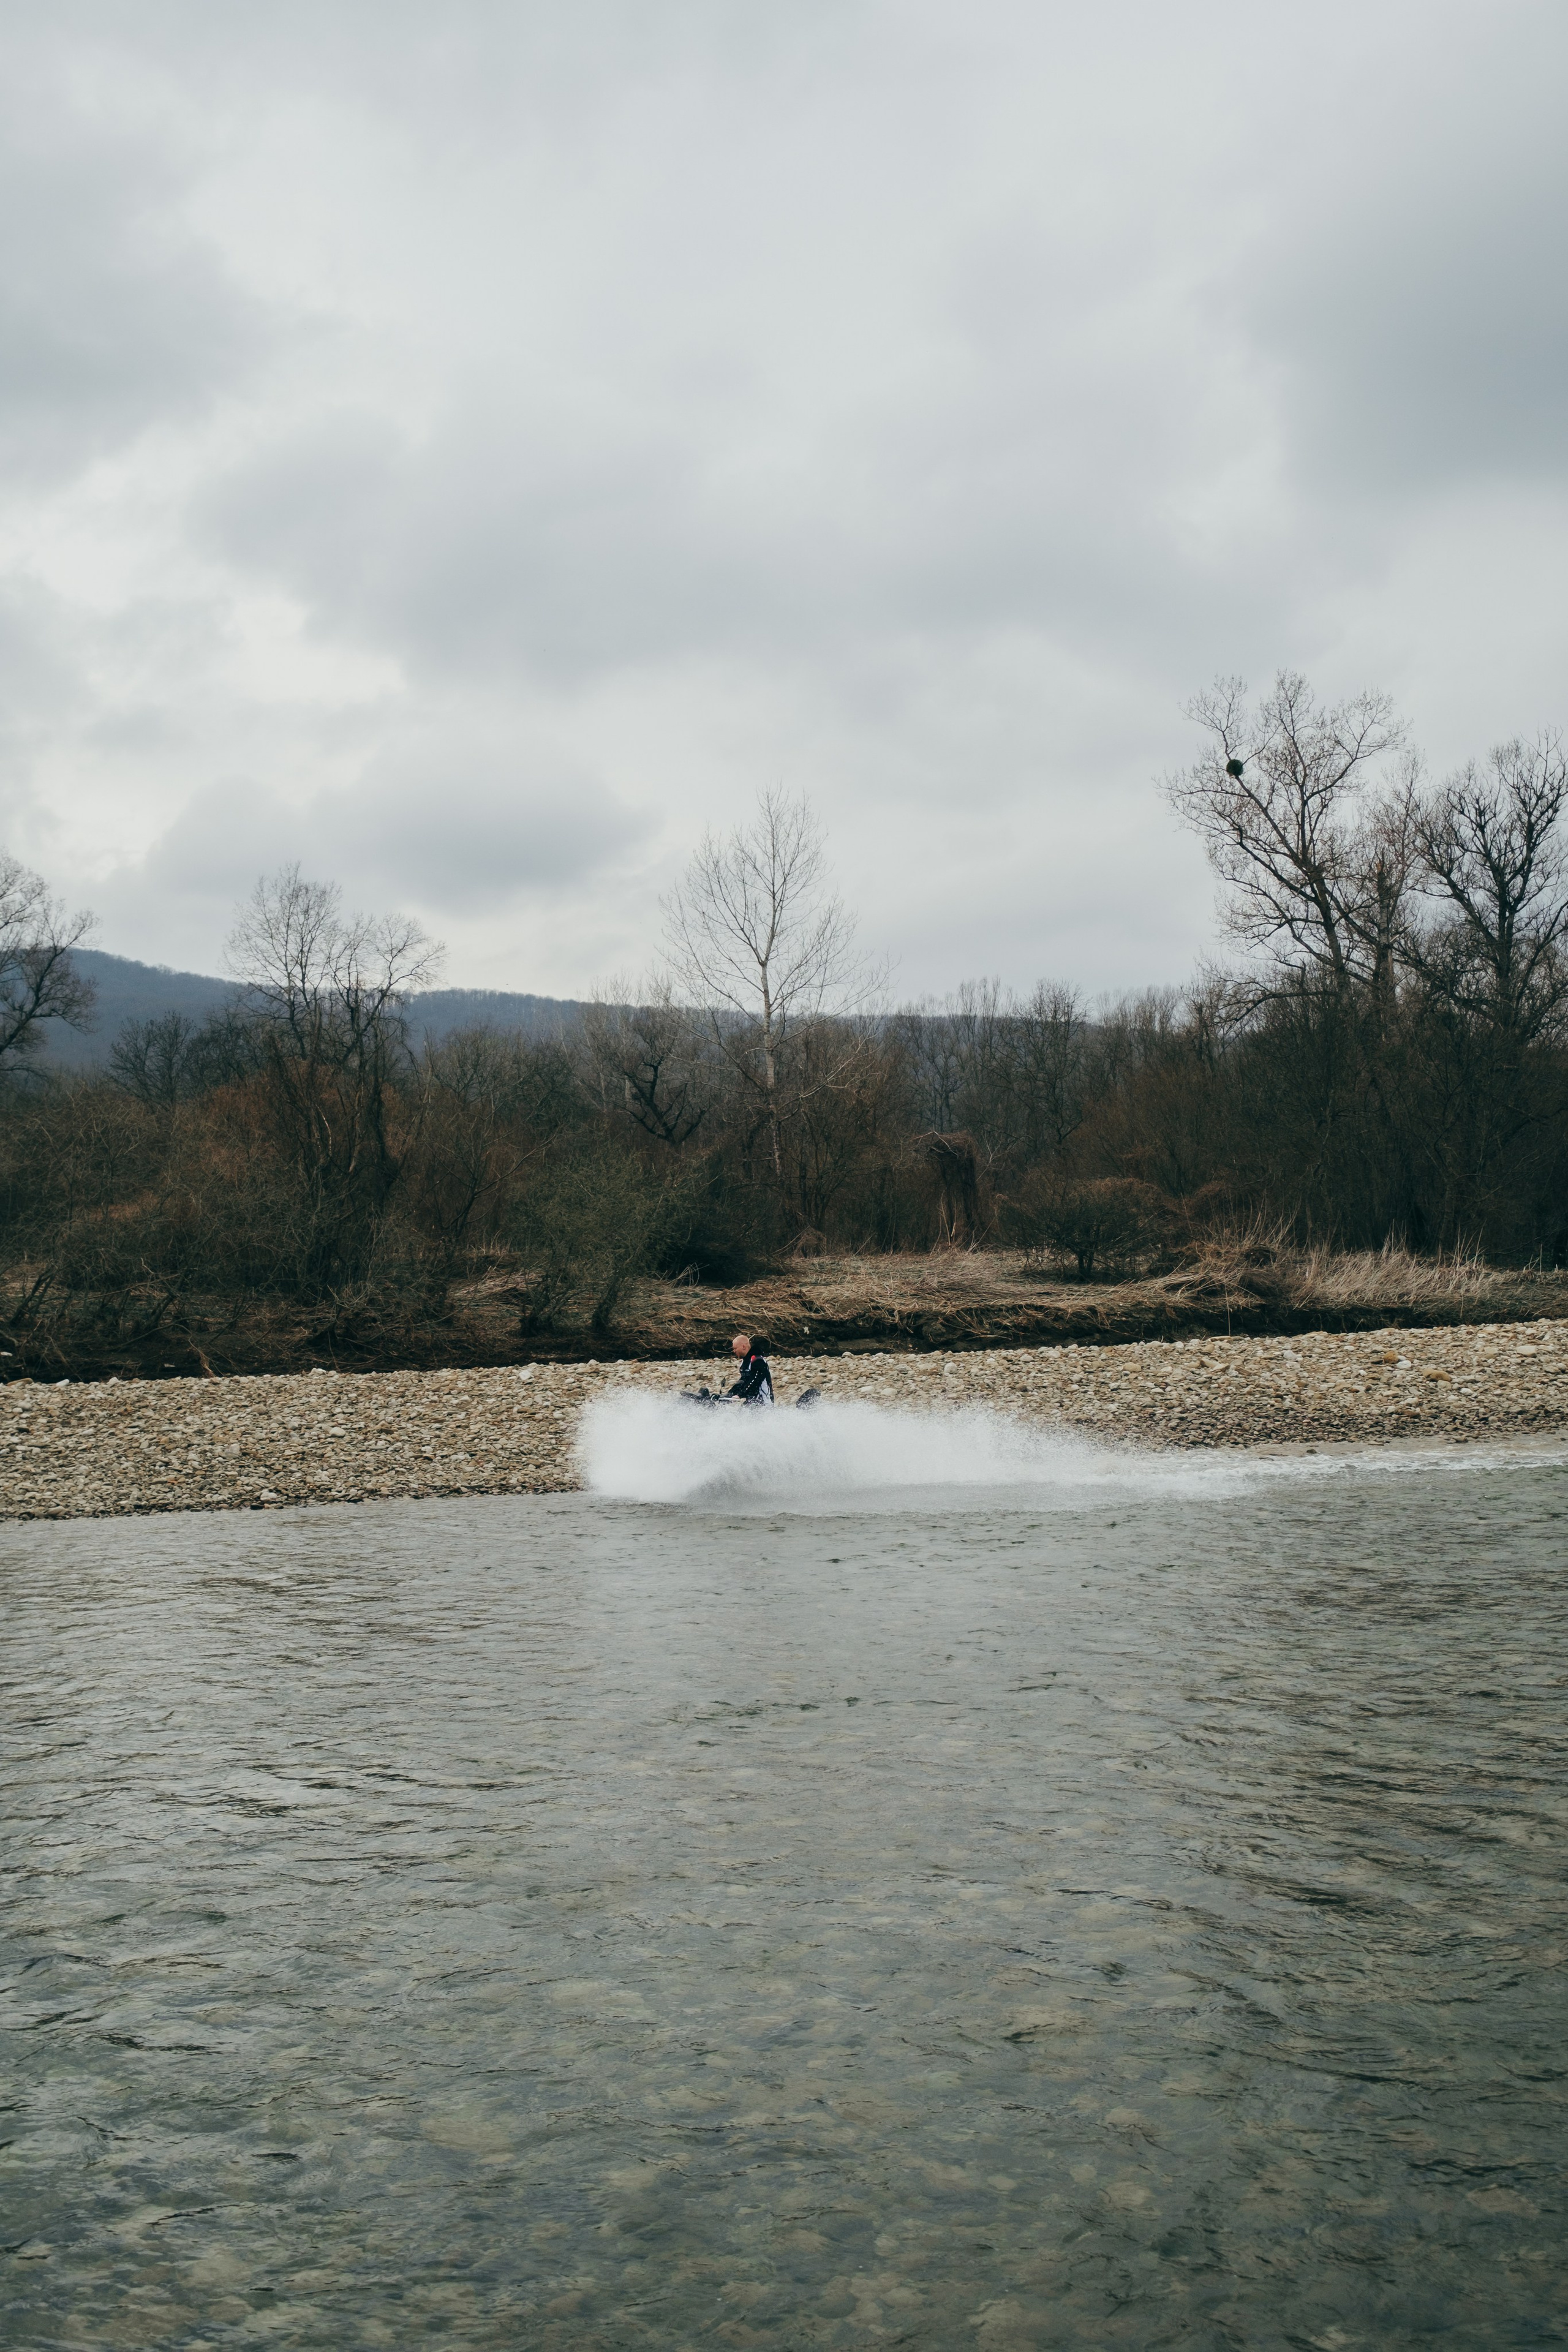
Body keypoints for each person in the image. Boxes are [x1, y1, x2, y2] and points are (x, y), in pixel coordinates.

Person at [723, 1332, 774, 1406]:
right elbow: (743, 1381)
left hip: (764, 1402)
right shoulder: (745, 1362)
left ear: (743, 1347)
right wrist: (730, 1394)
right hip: (752, 1400)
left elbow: (755, 1381)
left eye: (735, 1348)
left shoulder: (758, 1361)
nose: (734, 1351)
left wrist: (740, 1395)